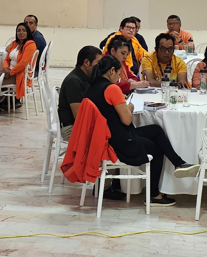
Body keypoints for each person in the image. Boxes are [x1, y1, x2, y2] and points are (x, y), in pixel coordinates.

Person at [84, 55, 199, 206]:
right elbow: (127, 120)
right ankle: (154, 195)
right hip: (119, 141)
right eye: (118, 74)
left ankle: (179, 163)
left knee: (156, 130)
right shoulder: (112, 89)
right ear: (111, 71)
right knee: (156, 149)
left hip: (106, 137)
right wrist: (129, 108)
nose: (119, 78)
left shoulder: (91, 88)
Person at [58, 46, 102, 141]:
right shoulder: (73, 81)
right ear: (86, 62)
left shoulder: (87, 77)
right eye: (98, 63)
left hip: (81, 124)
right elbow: (79, 115)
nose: (100, 67)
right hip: (71, 128)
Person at [0, 23, 37, 102]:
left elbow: (23, 63)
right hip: (9, 71)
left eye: (24, 30)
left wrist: (10, 72)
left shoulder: (30, 44)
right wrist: (5, 68)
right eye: (19, 30)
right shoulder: (15, 43)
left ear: (28, 32)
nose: (21, 33)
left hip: (20, 74)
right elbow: (7, 59)